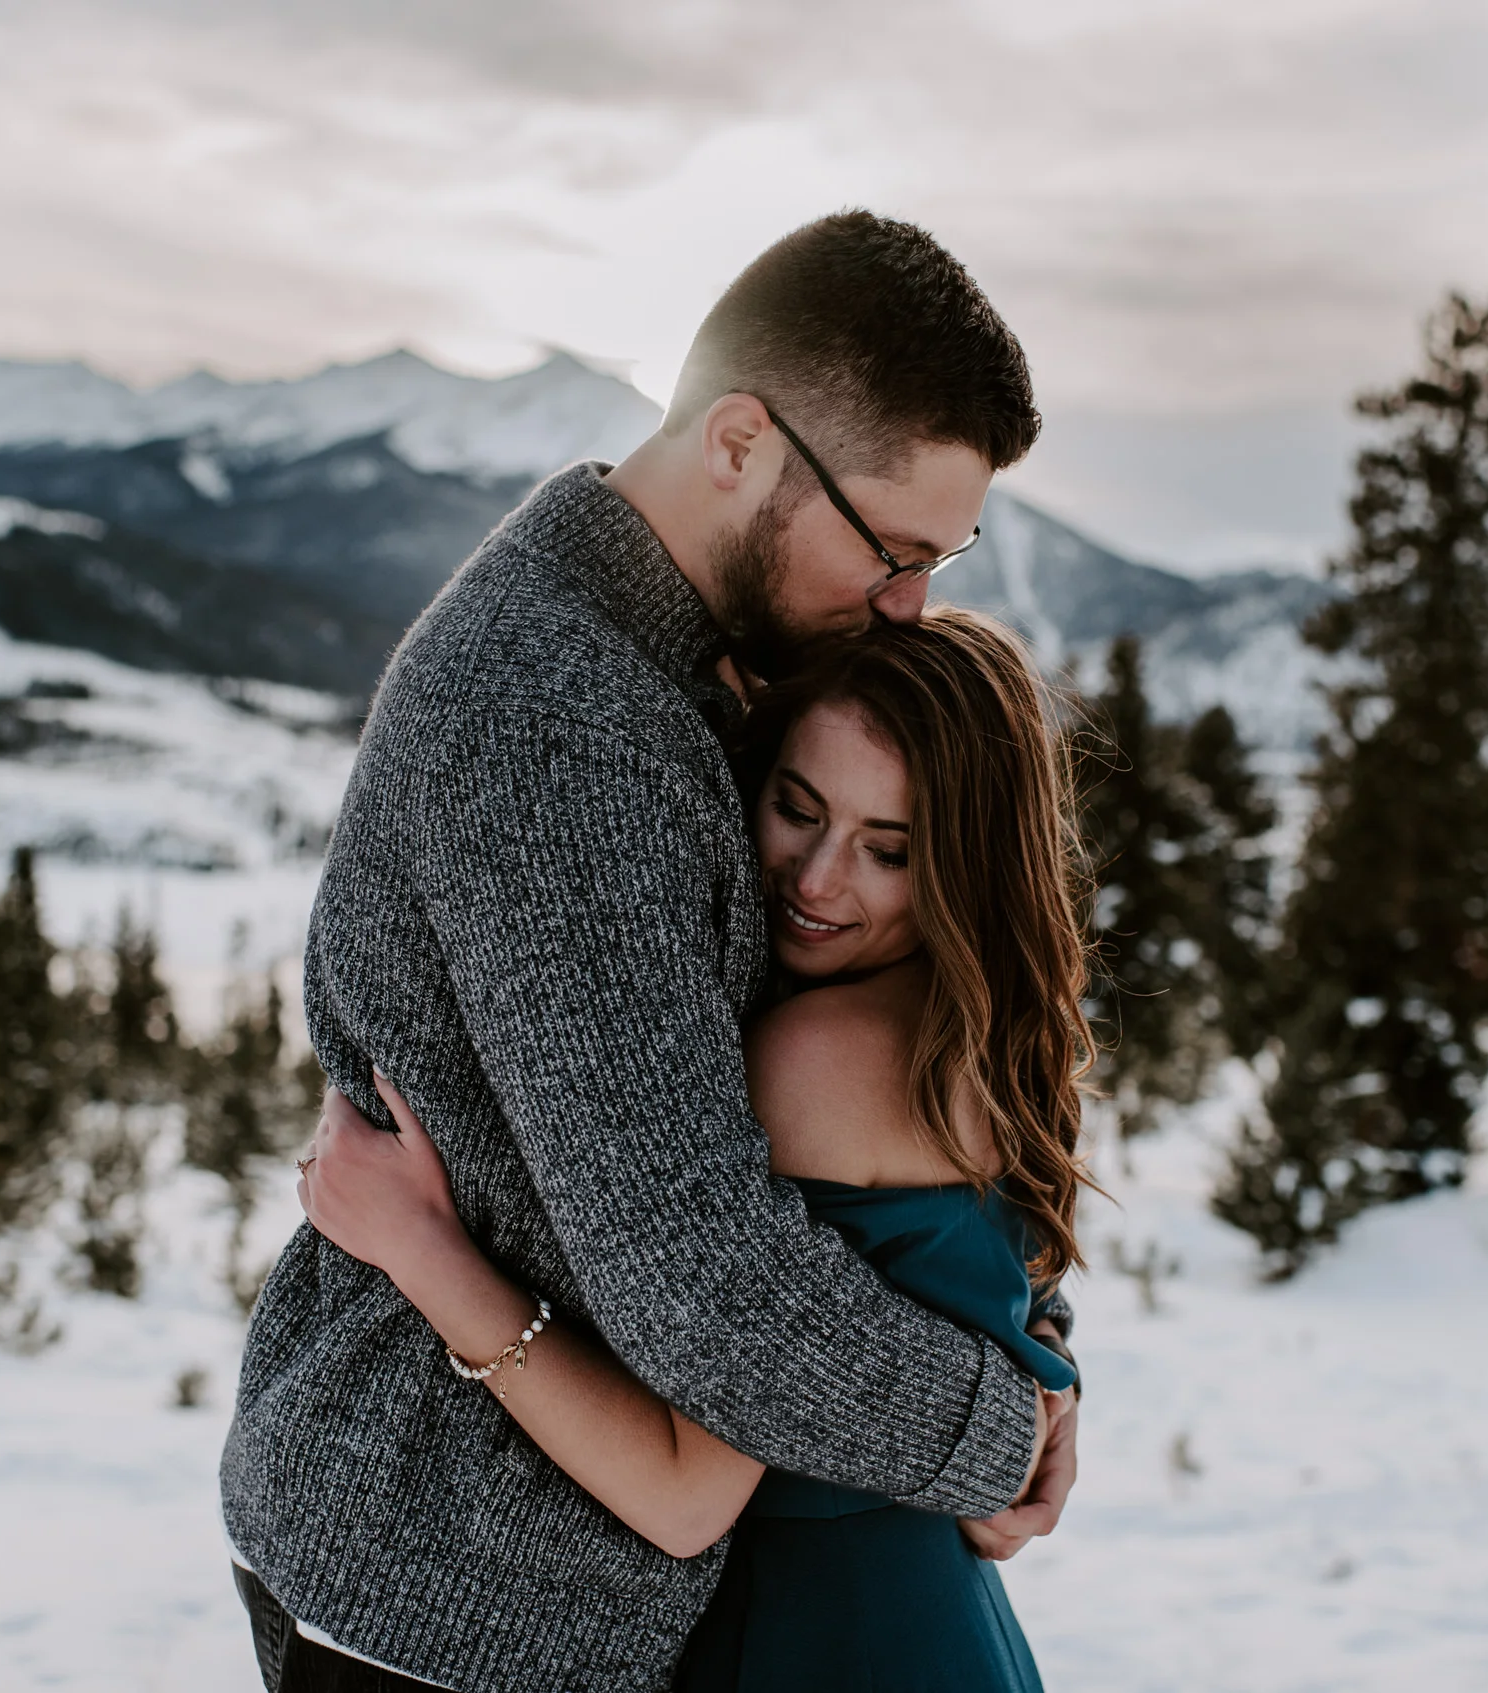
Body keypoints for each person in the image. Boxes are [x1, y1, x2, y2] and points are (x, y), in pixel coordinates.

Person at [220, 210, 1078, 1693]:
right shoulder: (564, 724)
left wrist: (1027, 1330)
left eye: (943, 559)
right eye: (892, 550)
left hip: (563, 1572)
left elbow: (885, 1133)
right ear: (739, 440)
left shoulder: (700, 665)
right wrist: (1000, 1426)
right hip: (455, 1579)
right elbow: (707, 1287)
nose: (909, 604)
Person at [300, 608, 1093, 1691]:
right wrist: (1049, 1385)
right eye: (797, 809)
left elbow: (683, 1493)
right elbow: (1011, 1285)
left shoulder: (815, 1055)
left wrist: (420, 1247)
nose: (816, 881)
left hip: (812, 1639)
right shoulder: (987, 1034)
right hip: (938, 1626)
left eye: (888, 851)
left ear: (968, 865)